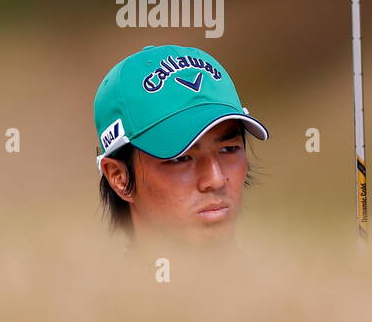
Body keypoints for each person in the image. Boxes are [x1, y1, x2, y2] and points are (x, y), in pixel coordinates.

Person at [95, 44, 270, 253]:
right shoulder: (101, 286)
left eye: (228, 149)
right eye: (180, 158)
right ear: (119, 178)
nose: (215, 180)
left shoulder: (295, 281)